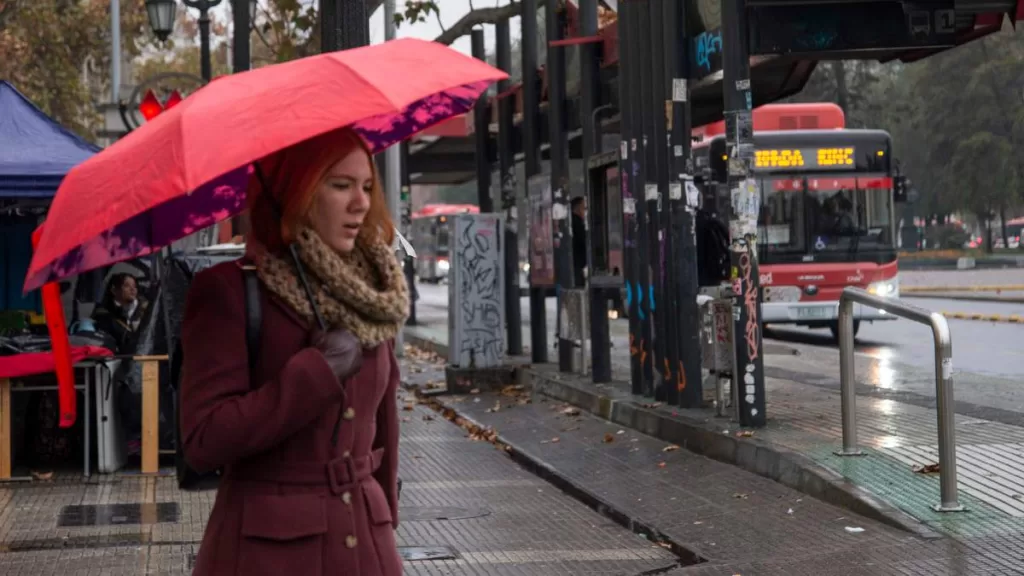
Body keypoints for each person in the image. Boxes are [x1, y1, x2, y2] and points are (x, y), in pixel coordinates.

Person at [180, 128, 409, 576]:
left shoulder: (371, 295)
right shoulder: (228, 290)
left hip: (367, 546)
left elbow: (384, 426)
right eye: (340, 186)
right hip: (270, 554)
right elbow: (204, 441)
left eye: (366, 187)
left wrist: (384, 522)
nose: (360, 203)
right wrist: (316, 372)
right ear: (295, 194)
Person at [91, 273, 147, 354]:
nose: (133, 289)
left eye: (134, 286)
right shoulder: (104, 314)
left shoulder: (143, 309)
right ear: (114, 290)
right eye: (127, 286)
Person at [571, 196, 587, 287]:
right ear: (577, 208)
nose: (585, 211)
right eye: (584, 208)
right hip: (577, 263)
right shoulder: (577, 223)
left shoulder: (573, 221)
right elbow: (582, 240)